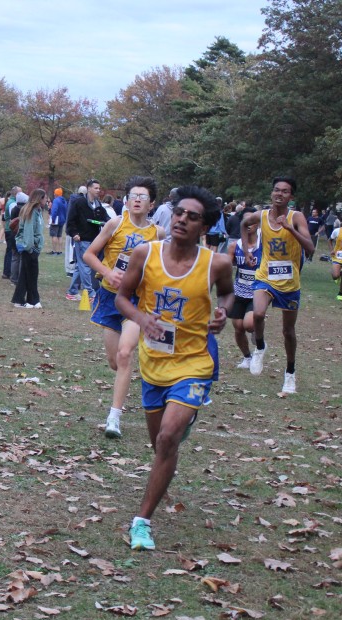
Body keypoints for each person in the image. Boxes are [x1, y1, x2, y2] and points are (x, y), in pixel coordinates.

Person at [115, 185, 234, 551]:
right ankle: (176, 431)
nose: (182, 219)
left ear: (204, 227)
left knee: (168, 437)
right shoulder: (145, 253)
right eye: (179, 212)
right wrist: (141, 318)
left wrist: (223, 312)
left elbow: (228, 293)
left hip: (194, 363)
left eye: (192, 216)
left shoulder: (216, 263)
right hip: (154, 364)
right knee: (160, 445)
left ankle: (141, 523)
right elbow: (122, 297)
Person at [84, 176, 164, 438]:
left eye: (143, 196)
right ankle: (130, 379)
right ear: (126, 201)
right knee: (114, 361)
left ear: (151, 204)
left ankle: (114, 418)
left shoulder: (159, 234)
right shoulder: (115, 224)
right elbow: (88, 254)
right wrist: (108, 273)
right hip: (110, 297)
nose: (137, 200)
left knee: (125, 353)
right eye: (133, 196)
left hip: (137, 301)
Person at [241, 177, 315, 394]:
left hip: (290, 282)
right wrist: (246, 251)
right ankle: (260, 347)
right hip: (265, 276)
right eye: (276, 190)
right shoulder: (262, 215)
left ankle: (290, 372)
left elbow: (310, 247)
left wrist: (290, 228)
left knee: (288, 332)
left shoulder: (296, 217)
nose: (279, 194)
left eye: (284, 191)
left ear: (291, 196)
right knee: (258, 314)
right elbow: (244, 225)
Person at [66, 179, 112, 304]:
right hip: (81, 239)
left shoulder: (97, 204)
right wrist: (74, 233)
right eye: (96, 188)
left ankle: (72, 292)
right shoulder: (79, 202)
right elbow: (71, 219)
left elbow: (105, 217)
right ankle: (90, 292)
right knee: (86, 266)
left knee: (80, 266)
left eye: (99, 188)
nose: (98, 190)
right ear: (89, 189)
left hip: (94, 239)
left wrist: (112, 223)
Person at [228, 208, 260, 369]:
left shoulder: (265, 245)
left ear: (258, 224)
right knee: (238, 327)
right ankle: (247, 357)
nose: (248, 224)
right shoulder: (235, 246)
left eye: (251, 221)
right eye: (245, 221)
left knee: (248, 324)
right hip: (239, 290)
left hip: (258, 292)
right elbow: (226, 267)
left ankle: (258, 331)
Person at [11, 188, 47, 309]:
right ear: (40, 198)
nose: (46, 200)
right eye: (45, 198)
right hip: (29, 247)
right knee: (28, 275)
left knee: (29, 275)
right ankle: (24, 300)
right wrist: (29, 248)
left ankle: (30, 300)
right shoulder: (31, 212)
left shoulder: (37, 211)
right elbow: (28, 231)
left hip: (33, 247)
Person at [49, 187, 67, 255]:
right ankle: (60, 251)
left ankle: (54, 251)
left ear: (56, 194)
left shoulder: (56, 200)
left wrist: (53, 219)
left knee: (54, 235)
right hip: (62, 220)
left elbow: (54, 210)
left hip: (56, 220)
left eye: (54, 193)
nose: (54, 194)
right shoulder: (64, 201)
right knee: (60, 235)